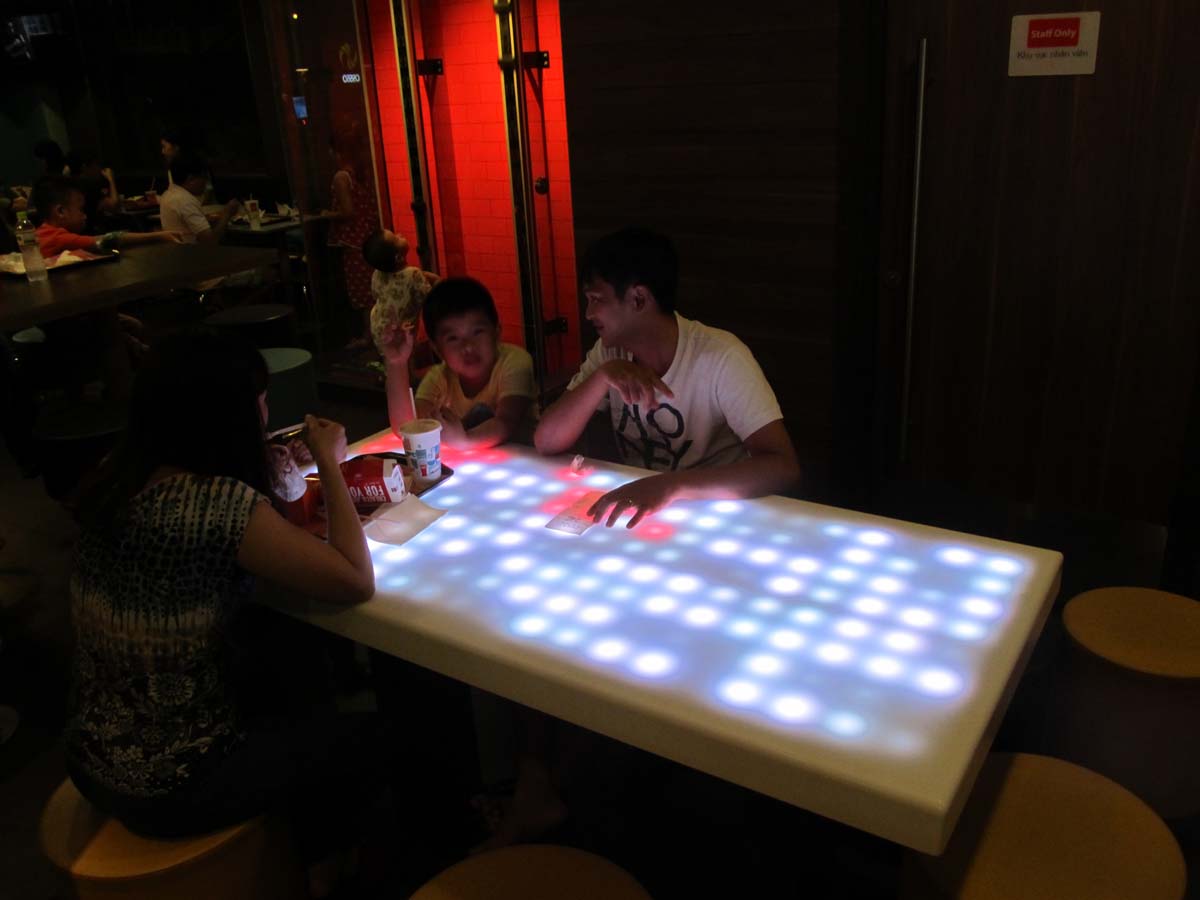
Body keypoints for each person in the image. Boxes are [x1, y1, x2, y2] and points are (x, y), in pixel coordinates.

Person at [66, 331, 378, 898]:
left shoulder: (115, 475)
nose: (266, 413)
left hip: (90, 755)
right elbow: (354, 579)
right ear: (228, 416)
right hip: (172, 783)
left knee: (288, 651)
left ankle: (312, 852)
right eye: (260, 401)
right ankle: (327, 875)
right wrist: (330, 464)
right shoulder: (214, 503)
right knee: (360, 738)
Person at [535, 226, 800, 526]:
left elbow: (782, 467)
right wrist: (602, 377)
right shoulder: (609, 352)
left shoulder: (721, 356)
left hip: (718, 515)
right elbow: (546, 441)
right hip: (648, 515)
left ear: (638, 299)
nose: (588, 313)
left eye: (596, 299)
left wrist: (670, 485)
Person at [382, 276, 538, 450]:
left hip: (528, 457)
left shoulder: (515, 361)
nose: (468, 347)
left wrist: (464, 440)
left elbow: (506, 421)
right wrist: (397, 363)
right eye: (453, 338)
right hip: (471, 461)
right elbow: (409, 428)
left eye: (477, 332)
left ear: (496, 332)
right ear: (437, 349)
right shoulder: (439, 377)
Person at [31, 176, 181, 256]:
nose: (85, 216)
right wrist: (158, 236)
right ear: (60, 211)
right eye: (81, 210)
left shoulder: (42, 234)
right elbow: (109, 239)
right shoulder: (58, 238)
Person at [323, 135, 378, 349]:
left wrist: (327, 214)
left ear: (338, 153)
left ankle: (367, 337)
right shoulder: (361, 173)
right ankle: (372, 335)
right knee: (370, 289)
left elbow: (348, 211)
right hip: (368, 237)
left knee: (362, 293)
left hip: (353, 240)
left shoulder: (341, 177)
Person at [362, 227, 439, 352]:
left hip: (379, 328)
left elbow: (376, 294)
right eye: (396, 239)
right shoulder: (413, 274)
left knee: (394, 358)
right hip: (401, 333)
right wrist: (437, 282)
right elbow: (428, 299)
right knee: (409, 357)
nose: (400, 234)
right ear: (398, 257)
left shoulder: (377, 273)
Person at [159, 153, 240, 244]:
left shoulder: (168, 194)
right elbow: (210, 241)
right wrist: (227, 214)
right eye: (204, 177)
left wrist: (208, 220)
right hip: (192, 251)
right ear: (190, 179)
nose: (206, 183)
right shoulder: (185, 200)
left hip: (176, 249)